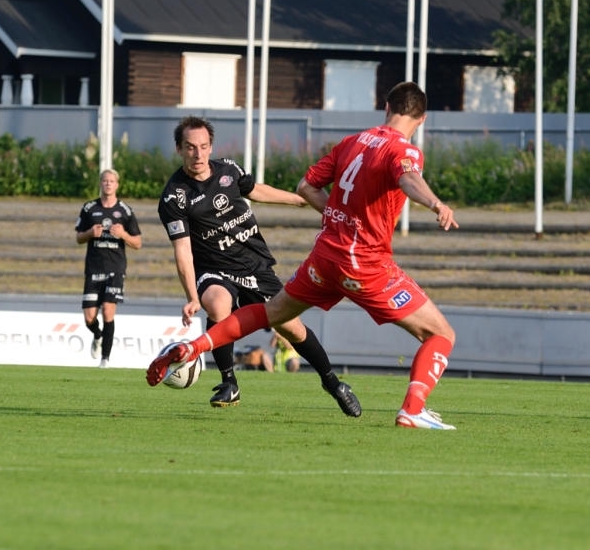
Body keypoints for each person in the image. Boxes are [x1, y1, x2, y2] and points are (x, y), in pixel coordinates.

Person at [148, 82, 460, 430]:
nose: (198, 152)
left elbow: (304, 187)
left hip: (323, 256)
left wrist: (335, 216)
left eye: (204, 146)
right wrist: (435, 202)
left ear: (386, 107)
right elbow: (408, 177)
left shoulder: (351, 142)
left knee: (275, 315)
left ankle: (194, 348)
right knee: (441, 334)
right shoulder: (405, 150)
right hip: (363, 263)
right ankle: (412, 409)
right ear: (423, 119)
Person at [156, 115, 360, 416]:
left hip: (255, 265)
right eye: (189, 147)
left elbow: (256, 191)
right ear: (179, 149)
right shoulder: (174, 196)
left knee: (292, 329)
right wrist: (191, 296)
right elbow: (183, 250)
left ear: (211, 146)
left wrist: (297, 200)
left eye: (202, 146)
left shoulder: (229, 169)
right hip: (214, 269)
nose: (197, 154)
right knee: (217, 304)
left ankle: (333, 383)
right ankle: (229, 383)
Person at [75, 169, 142, 368]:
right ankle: (97, 335)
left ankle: (105, 359)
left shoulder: (125, 211)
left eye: (111, 181)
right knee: (89, 318)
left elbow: (137, 242)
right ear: (100, 183)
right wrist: (89, 233)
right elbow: (78, 237)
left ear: (117, 185)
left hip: (116, 269)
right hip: (93, 268)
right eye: (105, 180)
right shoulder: (89, 208)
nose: (108, 184)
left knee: (107, 311)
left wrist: (123, 235)